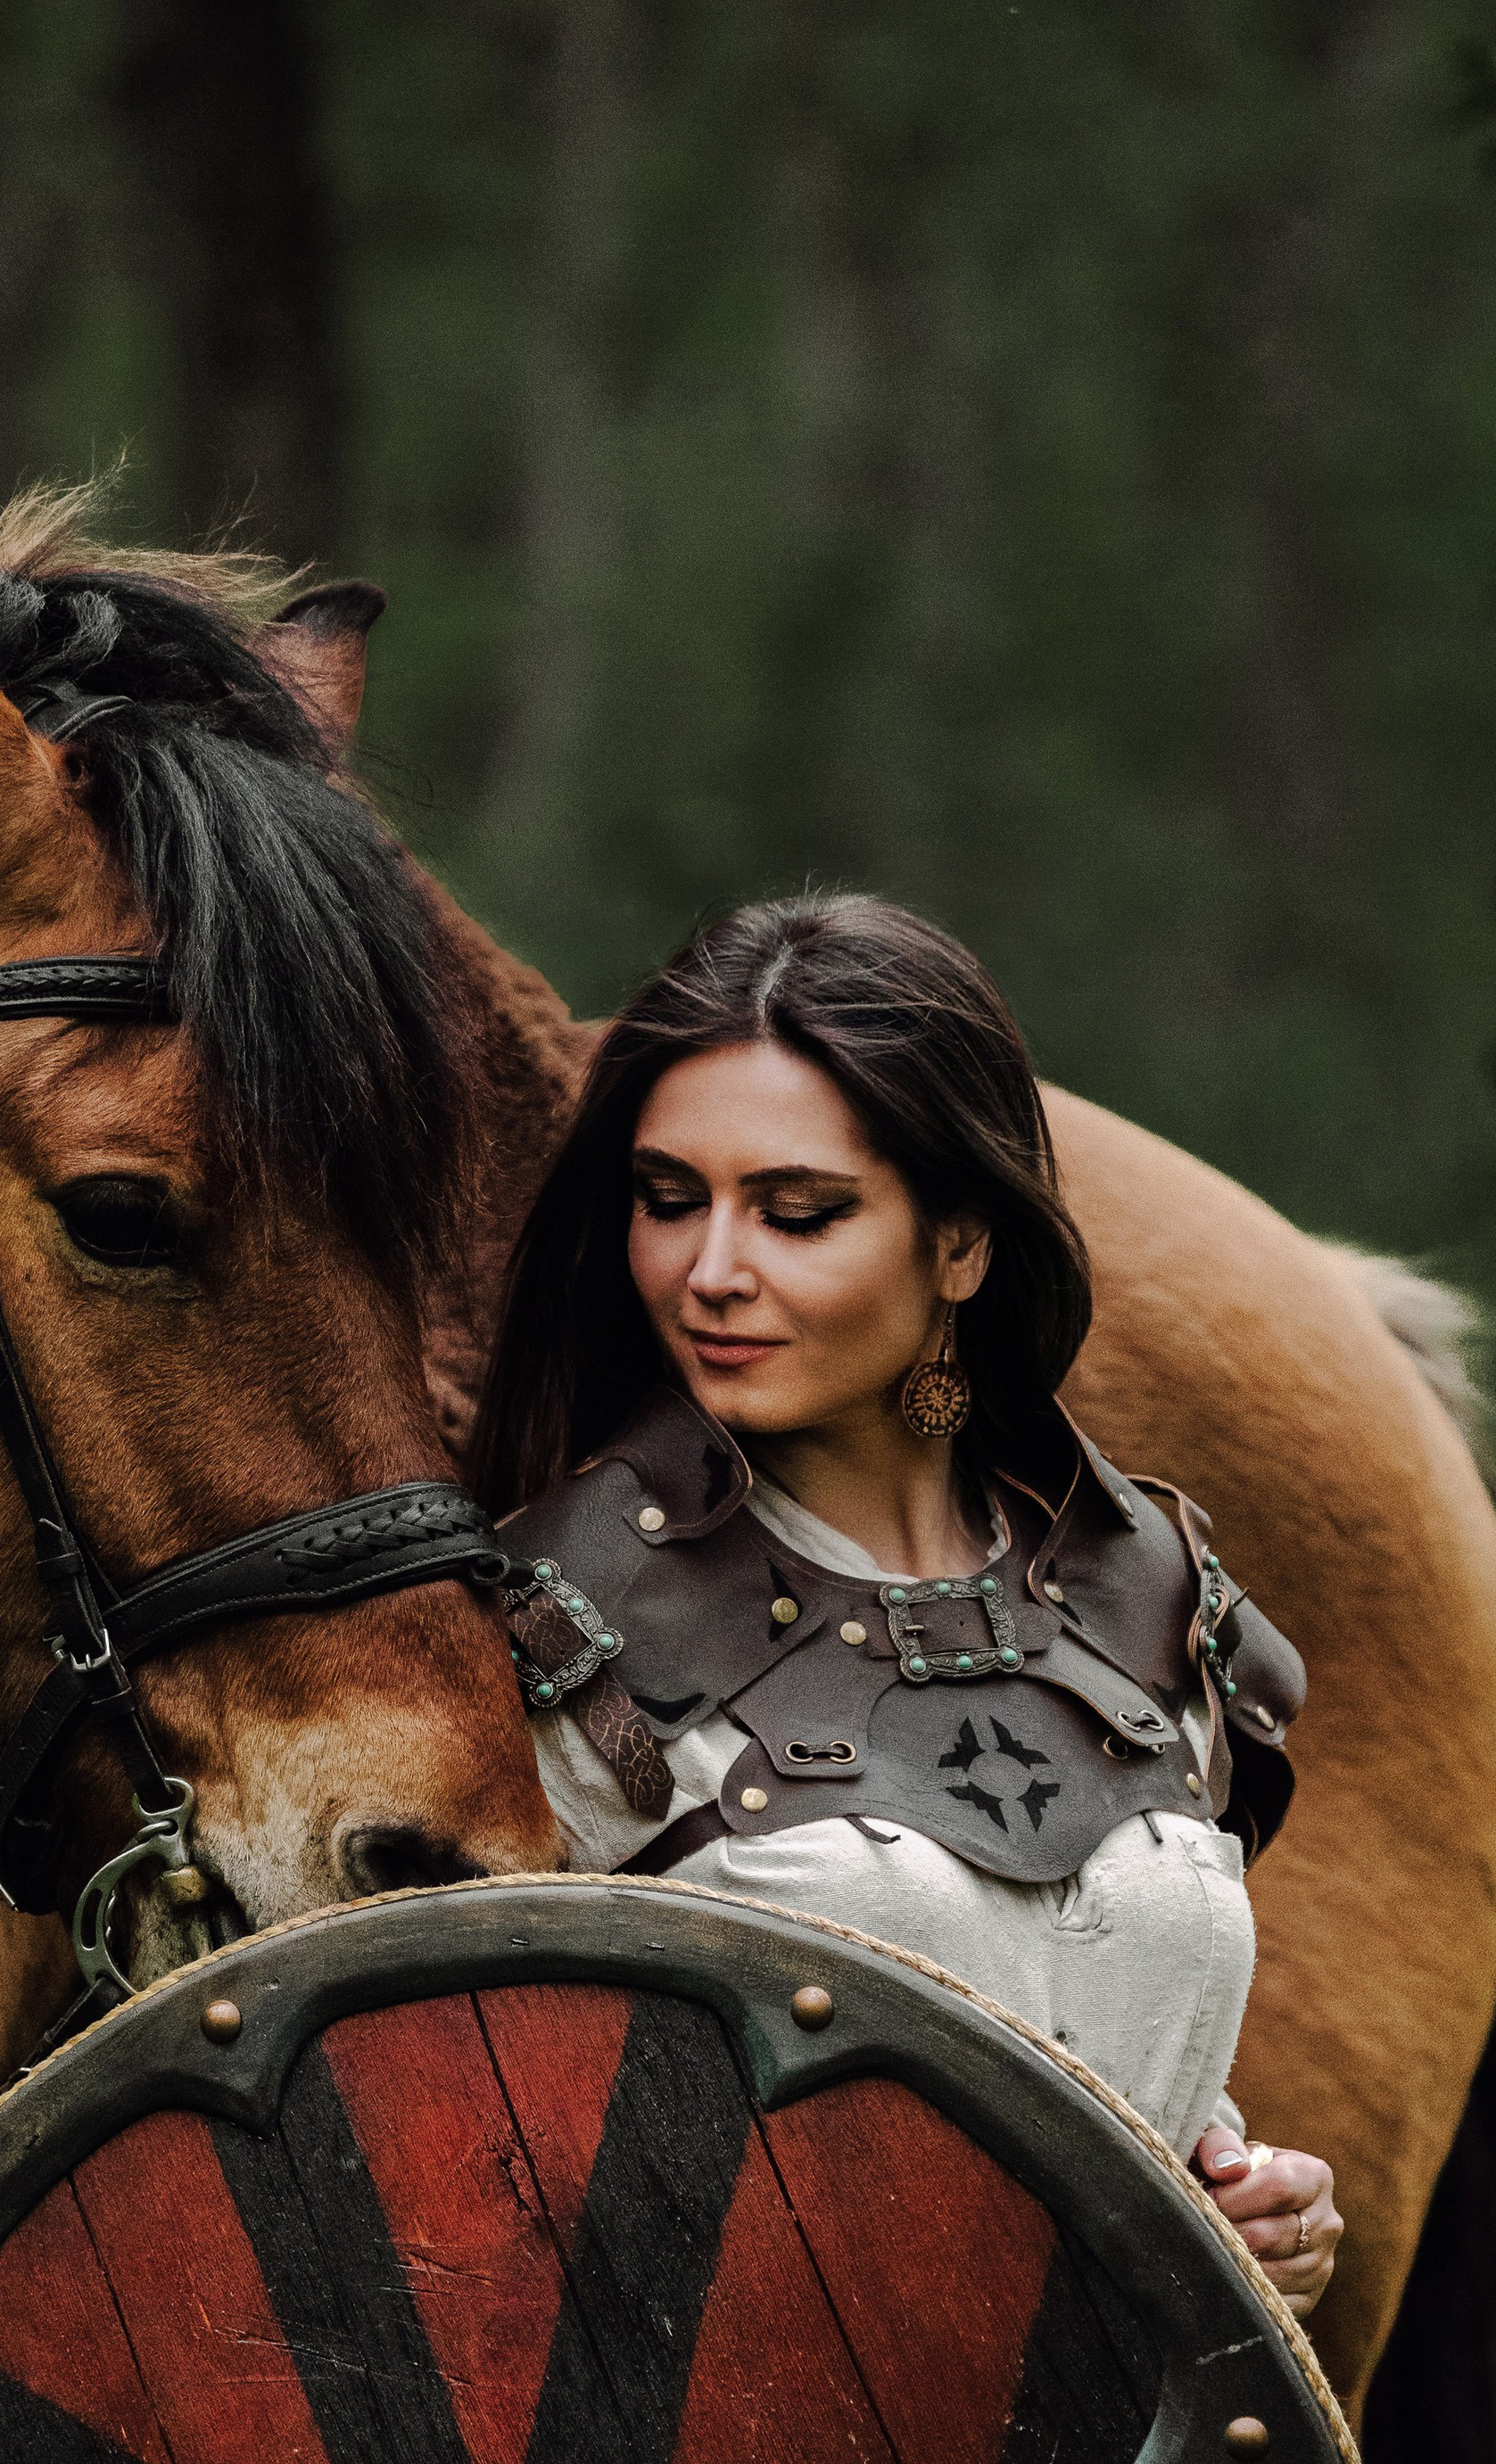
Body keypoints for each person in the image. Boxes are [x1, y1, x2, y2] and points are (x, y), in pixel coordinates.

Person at [475, 892, 1341, 2314]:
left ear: (960, 1244)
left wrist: (1242, 2193)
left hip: (1145, 2445)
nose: (711, 1272)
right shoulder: (561, 1627)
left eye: (798, 1213)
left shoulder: (1149, 1586)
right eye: (670, 1200)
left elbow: (1112, 2019)